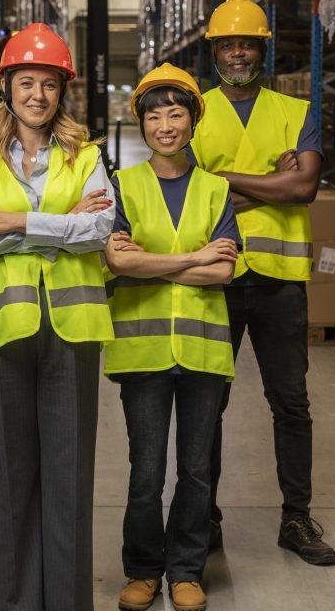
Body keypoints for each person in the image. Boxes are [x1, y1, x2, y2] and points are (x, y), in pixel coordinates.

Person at [0, 23, 115, 611]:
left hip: (71, 332)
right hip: (3, 331)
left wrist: (19, 223)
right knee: (7, 480)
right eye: (26, 82)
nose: (37, 96)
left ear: (62, 91)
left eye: (48, 85)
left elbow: (99, 230)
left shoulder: (88, 155)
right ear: (7, 88)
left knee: (69, 478)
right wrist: (61, 224)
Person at [191, 0, 335, 565]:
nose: (237, 52)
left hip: (279, 281)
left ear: (262, 48)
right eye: (227, 43)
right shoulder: (193, 112)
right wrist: (265, 180)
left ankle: (295, 519)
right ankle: (205, 516)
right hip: (216, 276)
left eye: (247, 42)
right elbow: (189, 194)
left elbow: (302, 189)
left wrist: (220, 181)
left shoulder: (295, 110)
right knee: (208, 404)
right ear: (214, 51)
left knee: (291, 403)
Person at [105, 64, 238, 611]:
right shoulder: (122, 186)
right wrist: (193, 257)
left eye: (175, 113)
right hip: (143, 350)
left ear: (192, 120)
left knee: (196, 469)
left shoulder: (215, 189)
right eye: (154, 114)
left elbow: (223, 273)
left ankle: (186, 570)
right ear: (141, 124)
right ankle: (142, 569)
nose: (165, 124)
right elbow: (116, 260)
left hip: (205, 351)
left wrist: (151, 262)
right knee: (146, 469)